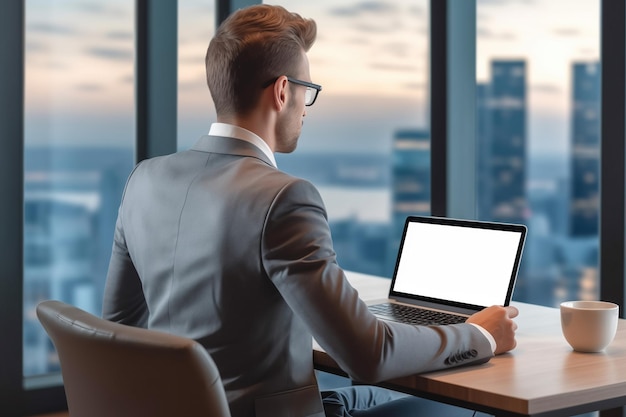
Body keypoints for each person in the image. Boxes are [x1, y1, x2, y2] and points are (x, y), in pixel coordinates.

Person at [102, 4, 518, 417]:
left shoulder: (144, 179)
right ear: (283, 92)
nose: (305, 108)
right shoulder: (284, 197)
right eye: (308, 91)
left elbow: (118, 327)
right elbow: (368, 355)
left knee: (392, 398)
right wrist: (478, 334)